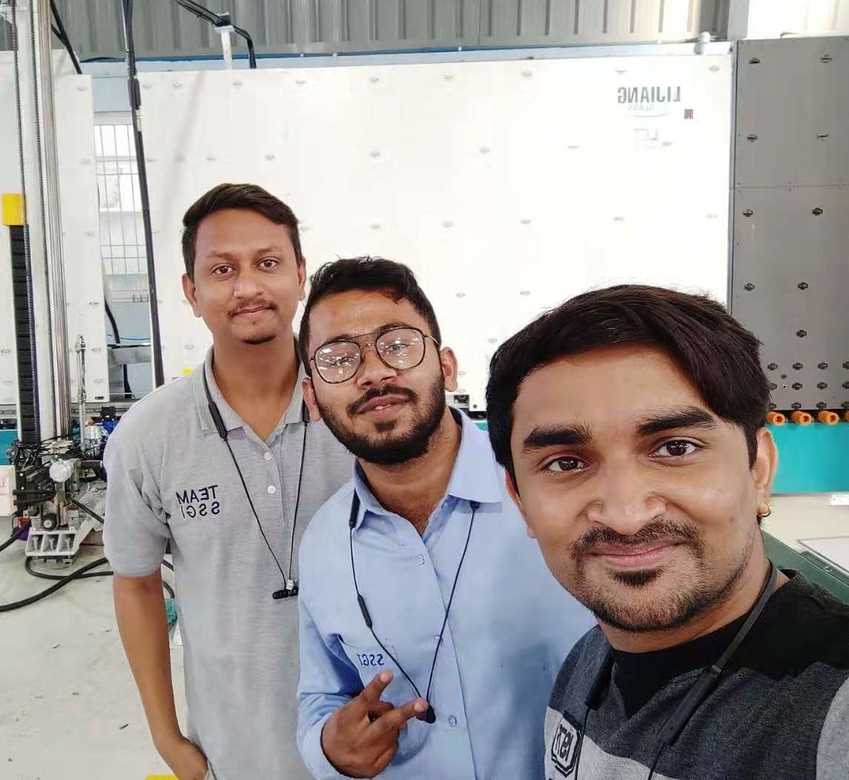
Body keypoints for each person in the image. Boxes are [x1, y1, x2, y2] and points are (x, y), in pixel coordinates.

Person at [484, 284, 849, 780]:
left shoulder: (831, 710)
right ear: (520, 501)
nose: (625, 515)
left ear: (758, 469)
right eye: (566, 463)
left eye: (676, 448)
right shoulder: (588, 659)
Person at [295, 257, 594, 780]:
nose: (374, 372)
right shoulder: (324, 545)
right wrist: (330, 749)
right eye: (339, 359)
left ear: (447, 367)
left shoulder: (558, 492)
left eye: (398, 345)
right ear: (312, 398)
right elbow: (322, 694)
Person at [103, 183, 353, 780]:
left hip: (373, 743)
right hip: (233, 753)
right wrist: (167, 738)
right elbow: (136, 585)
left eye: (267, 263)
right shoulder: (150, 436)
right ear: (191, 292)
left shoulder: (357, 411)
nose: (247, 287)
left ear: (300, 275)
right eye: (222, 269)